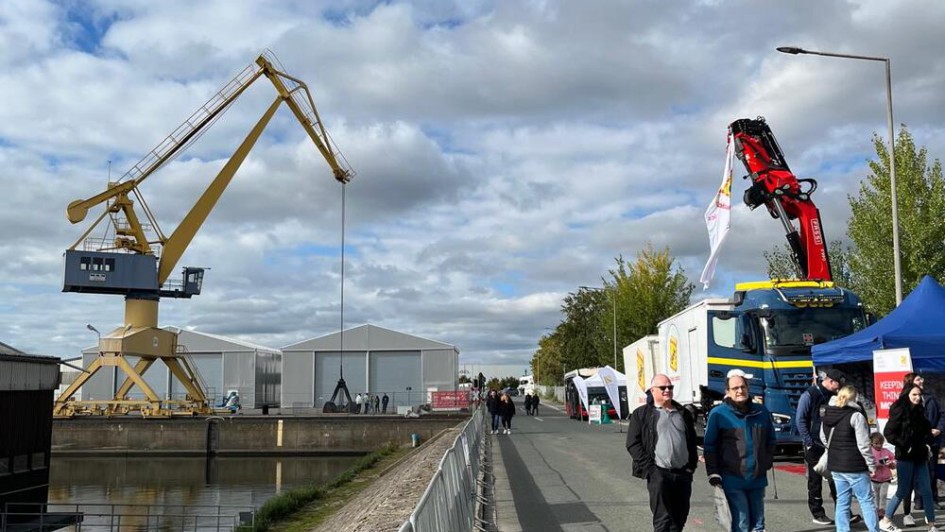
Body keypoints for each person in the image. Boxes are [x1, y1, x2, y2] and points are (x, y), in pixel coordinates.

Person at [626, 374, 698, 532]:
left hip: (682, 474)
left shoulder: (683, 413)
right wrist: (652, 470)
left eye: (670, 387)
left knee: (679, 519)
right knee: (662, 520)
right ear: (652, 390)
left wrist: (691, 467)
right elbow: (632, 443)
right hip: (659, 474)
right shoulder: (641, 414)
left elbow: (691, 441)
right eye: (663, 387)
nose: (667, 390)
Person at [704, 373, 774, 532]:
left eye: (743, 387)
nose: (740, 391)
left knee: (759, 525)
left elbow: (771, 440)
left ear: (748, 388)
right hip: (732, 478)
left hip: (757, 478)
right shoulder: (718, 414)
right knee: (741, 523)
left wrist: (766, 462)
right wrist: (713, 472)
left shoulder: (761, 412)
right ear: (727, 391)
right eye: (735, 388)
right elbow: (710, 446)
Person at [820, 384, 880, 532]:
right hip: (855, 465)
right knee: (866, 501)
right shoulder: (856, 415)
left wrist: (836, 450)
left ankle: (842, 530)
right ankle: (874, 530)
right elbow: (864, 445)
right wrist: (871, 465)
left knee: (842, 501)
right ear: (855, 398)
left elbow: (823, 438)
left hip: (836, 464)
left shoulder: (827, 413)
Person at [880, 385, 939, 532]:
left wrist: (928, 443)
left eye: (919, 395)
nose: (917, 398)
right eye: (914, 395)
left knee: (926, 490)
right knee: (902, 491)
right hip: (905, 457)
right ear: (907, 395)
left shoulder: (920, 410)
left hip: (921, 456)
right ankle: (886, 520)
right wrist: (905, 446)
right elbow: (889, 432)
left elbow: (926, 431)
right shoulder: (899, 410)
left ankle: (932, 525)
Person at [796, 368, 846, 525]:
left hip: (830, 443)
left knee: (836, 478)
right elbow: (800, 419)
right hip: (814, 444)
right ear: (830, 381)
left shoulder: (834, 396)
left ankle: (843, 512)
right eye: (837, 386)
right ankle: (817, 512)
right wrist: (809, 442)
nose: (838, 390)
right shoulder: (809, 394)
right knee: (815, 480)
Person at [902, 373, 945, 517]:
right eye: (918, 379)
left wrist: (938, 428)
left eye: (922, 379)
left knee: (932, 471)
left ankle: (933, 499)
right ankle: (918, 500)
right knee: (917, 472)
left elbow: (942, 414)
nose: (922, 380)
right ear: (911, 383)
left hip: (932, 441)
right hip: (917, 441)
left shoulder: (931, 398)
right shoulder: (905, 401)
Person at [871, 432, 897, 519]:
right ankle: (875, 510)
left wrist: (892, 464)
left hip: (886, 478)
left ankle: (882, 510)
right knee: (875, 495)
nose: (879, 445)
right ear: (871, 443)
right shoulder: (870, 452)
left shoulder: (886, 451)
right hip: (874, 478)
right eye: (876, 443)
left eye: (880, 443)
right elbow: (868, 463)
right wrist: (877, 464)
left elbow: (894, 459)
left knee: (883, 495)